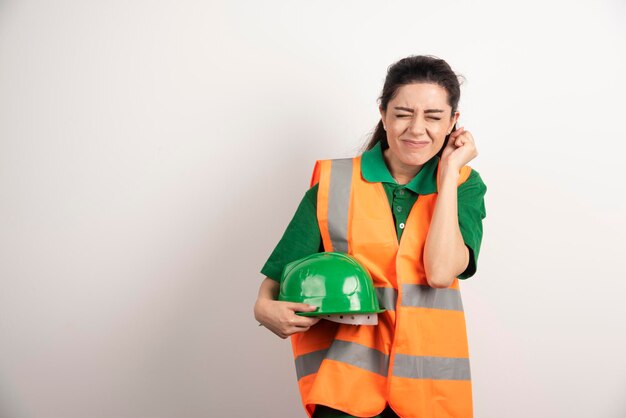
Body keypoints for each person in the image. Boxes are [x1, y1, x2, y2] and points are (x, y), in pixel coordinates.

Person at [254, 55, 487, 418]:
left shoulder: (463, 186)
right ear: (383, 113)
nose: (416, 129)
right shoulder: (335, 183)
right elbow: (275, 282)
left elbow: (440, 274)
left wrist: (448, 175)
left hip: (430, 394)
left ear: (454, 122)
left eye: (434, 117)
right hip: (346, 390)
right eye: (403, 113)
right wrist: (264, 308)